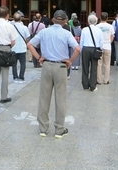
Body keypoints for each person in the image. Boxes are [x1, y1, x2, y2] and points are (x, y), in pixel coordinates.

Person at [27, 10, 80, 138]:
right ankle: (59, 129)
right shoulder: (66, 33)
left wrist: (39, 58)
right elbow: (78, 49)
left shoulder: (44, 32)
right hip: (61, 66)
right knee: (60, 98)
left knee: (44, 97)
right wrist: (70, 61)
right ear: (65, 21)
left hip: (46, 65)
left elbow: (30, 44)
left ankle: (43, 128)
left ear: (53, 20)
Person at [79, 14, 103, 91]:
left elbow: (81, 41)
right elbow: (101, 41)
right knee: (94, 68)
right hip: (95, 49)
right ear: (96, 21)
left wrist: (81, 50)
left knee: (85, 67)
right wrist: (101, 49)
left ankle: (85, 84)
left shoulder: (84, 30)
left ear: (88, 21)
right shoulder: (99, 30)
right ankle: (93, 85)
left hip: (85, 48)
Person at [11, 12, 30, 83]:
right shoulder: (24, 27)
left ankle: (15, 77)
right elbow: (27, 37)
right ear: (21, 19)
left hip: (13, 48)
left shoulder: (11, 27)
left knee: (14, 64)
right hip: (22, 47)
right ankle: (21, 77)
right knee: (22, 63)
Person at [96, 12, 114, 84]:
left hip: (99, 47)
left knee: (99, 64)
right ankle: (106, 80)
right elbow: (112, 37)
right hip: (107, 46)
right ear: (107, 18)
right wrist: (109, 42)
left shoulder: (97, 26)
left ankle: (98, 80)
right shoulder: (110, 26)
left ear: (100, 18)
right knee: (107, 64)